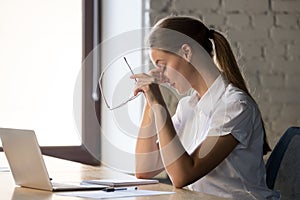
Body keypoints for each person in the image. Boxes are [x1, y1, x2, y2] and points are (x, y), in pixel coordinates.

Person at [132, 16, 280, 199]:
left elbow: (182, 175)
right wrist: (150, 100)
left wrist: (159, 105)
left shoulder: (234, 106)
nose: (160, 74)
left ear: (186, 52)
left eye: (162, 65)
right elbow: (145, 169)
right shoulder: (187, 107)